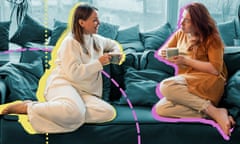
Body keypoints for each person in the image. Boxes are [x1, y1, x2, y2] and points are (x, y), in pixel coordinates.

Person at [0, 3, 123, 133]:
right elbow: (74, 74)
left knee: (107, 112)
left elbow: (113, 44)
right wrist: (99, 63)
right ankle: (28, 107)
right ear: (81, 22)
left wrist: (116, 53)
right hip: (63, 85)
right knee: (75, 113)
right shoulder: (70, 42)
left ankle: (64, 112)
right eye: (95, 20)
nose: (99, 23)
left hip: (83, 92)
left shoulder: (97, 40)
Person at [155, 2, 235, 137]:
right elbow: (162, 51)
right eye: (182, 18)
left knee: (166, 86)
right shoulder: (180, 34)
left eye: (186, 20)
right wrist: (165, 54)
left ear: (198, 22)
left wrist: (185, 60)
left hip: (209, 82)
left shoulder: (212, 39)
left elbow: (215, 69)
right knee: (161, 109)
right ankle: (215, 113)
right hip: (188, 83)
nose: (181, 23)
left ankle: (213, 112)